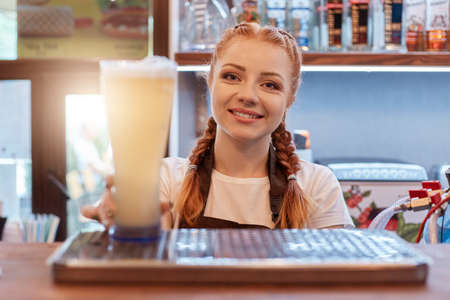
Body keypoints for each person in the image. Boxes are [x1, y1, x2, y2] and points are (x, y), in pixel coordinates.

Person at [82, 22, 354, 230]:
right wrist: (124, 222)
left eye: (269, 84)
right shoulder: (166, 179)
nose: (248, 95)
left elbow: (339, 283)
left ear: (290, 98)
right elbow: (147, 271)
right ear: (210, 81)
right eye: (232, 76)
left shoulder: (317, 186)